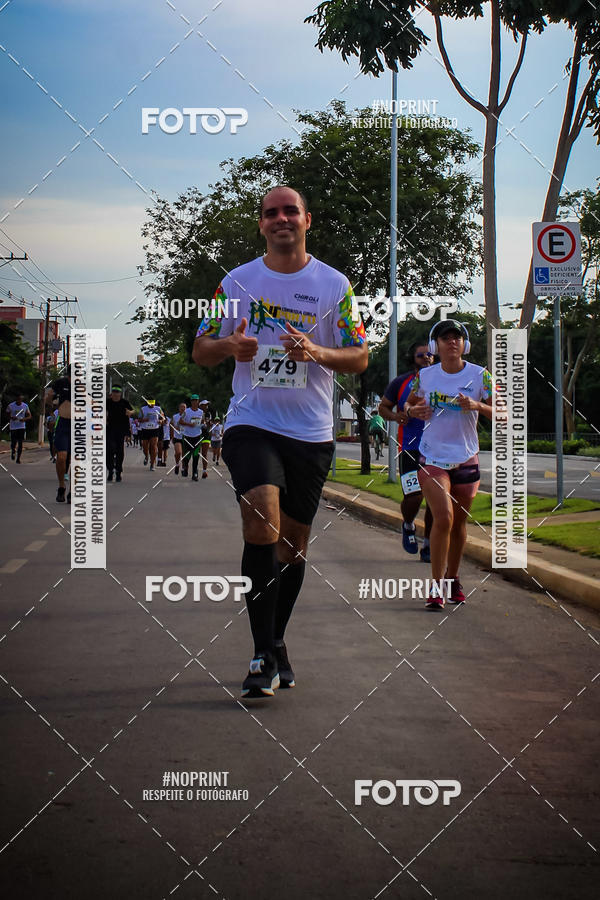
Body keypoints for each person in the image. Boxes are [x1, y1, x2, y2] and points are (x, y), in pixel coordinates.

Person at [192, 184, 368, 698]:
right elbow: (201, 349)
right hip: (252, 422)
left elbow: (358, 357)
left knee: (292, 546)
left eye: (290, 211)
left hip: (311, 433)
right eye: (271, 213)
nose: (281, 218)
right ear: (262, 225)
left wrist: (317, 351)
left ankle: (276, 641)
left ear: (307, 220)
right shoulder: (236, 282)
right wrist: (230, 345)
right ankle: (260, 656)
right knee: (260, 519)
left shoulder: (335, 285)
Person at [404, 320, 492, 610]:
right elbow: (409, 405)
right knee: (443, 517)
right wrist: (413, 409)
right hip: (432, 458)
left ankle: (453, 579)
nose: (452, 342)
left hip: (466, 458)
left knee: (459, 523)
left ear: (464, 345)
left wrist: (478, 406)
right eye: (445, 338)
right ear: (435, 346)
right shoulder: (425, 376)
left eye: (457, 338)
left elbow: (503, 412)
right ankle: (436, 586)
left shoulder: (481, 375)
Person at [379, 342, 434, 563]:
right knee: (414, 496)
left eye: (429, 354)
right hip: (410, 447)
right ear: (414, 358)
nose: (426, 358)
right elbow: (383, 407)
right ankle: (408, 524)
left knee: (434, 501)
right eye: (421, 355)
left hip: (438, 450)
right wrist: (396, 417)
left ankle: (429, 545)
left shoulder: (442, 378)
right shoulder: (401, 383)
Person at [47, 366, 72, 502]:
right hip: (63, 424)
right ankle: (62, 487)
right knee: (62, 457)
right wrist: (50, 402)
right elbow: (49, 396)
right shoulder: (60, 383)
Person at [106, 386, 134, 482]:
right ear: (111, 393)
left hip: (121, 429)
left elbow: (133, 410)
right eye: (114, 392)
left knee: (119, 451)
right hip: (109, 429)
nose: (115, 394)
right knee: (109, 449)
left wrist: (130, 412)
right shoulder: (107, 402)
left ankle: (118, 472)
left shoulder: (124, 402)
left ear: (120, 394)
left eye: (117, 392)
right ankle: (110, 470)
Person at [179, 395, 205, 481]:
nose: (194, 402)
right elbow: (180, 421)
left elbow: (203, 421)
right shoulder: (186, 412)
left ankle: (195, 474)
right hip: (187, 436)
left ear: (198, 401)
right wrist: (189, 424)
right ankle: (185, 467)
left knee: (196, 455)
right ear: (191, 402)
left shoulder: (201, 412)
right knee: (187, 456)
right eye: (193, 400)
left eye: (196, 400)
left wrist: (203, 422)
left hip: (197, 436)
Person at [139, 399, 164, 471]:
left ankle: (152, 464)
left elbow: (162, 418)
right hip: (145, 429)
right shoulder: (143, 409)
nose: (152, 404)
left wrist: (160, 421)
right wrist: (144, 420)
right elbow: (139, 419)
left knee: (153, 446)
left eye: (153, 403)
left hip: (155, 429)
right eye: (150, 403)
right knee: (145, 447)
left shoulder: (158, 409)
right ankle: (146, 456)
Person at [6, 394, 32, 463]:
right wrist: (11, 418)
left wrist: (24, 419)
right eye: (18, 400)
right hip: (13, 426)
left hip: (21, 426)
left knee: (20, 442)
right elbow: (7, 415)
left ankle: (18, 458)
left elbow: (29, 416)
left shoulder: (25, 406)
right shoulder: (11, 406)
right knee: (13, 442)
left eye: (20, 400)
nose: (19, 401)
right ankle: (13, 451)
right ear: (16, 399)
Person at [171, 402, 186, 474]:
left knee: (184, 454)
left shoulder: (188, 416)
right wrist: (171, 436)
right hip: (177, 437)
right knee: (178, 452)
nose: (183, 409)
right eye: (181, 407)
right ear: (179, 408)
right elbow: (171, 425)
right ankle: (177, 464)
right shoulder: (175, 416)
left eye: (184, 407)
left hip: (186, 437)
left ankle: (183, 468)